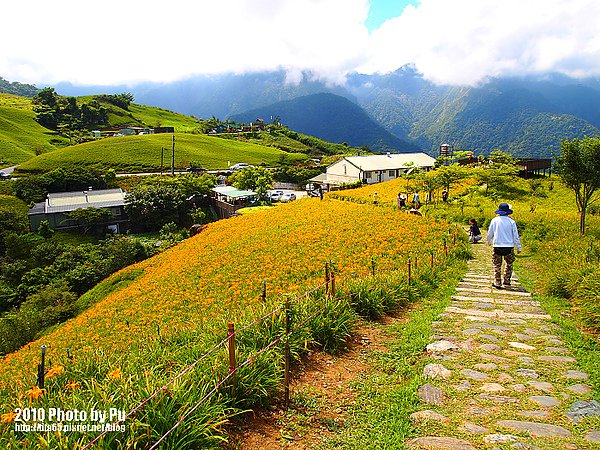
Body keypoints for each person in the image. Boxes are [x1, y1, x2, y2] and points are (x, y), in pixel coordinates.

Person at [486, 203, 522, 289]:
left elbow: (490, 233)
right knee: (509, 264)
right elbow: (516, 236)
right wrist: (519, 247)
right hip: (509, 246)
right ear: (508, 212)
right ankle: (507, 280)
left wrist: (489, 241)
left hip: (497, 245)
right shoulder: (511, 222)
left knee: (497, 264)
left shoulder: (494, 220)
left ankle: (497, 281)